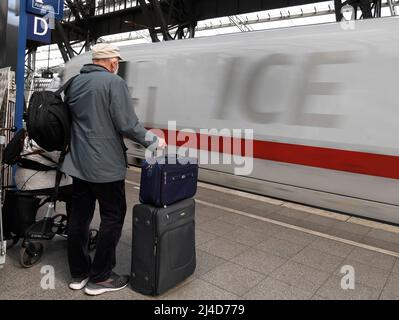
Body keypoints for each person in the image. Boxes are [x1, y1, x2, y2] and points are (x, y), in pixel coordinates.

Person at [62, 43, 166, 296]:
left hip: (78, 164)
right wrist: (154, 140)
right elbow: (127, 123)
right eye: (116, 62)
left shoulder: (74, 83)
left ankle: (79, 274)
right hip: (106, 166)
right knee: (112, 216)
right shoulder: (113, 82)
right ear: (111, 62)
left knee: (79, 217)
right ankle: (101, 277)